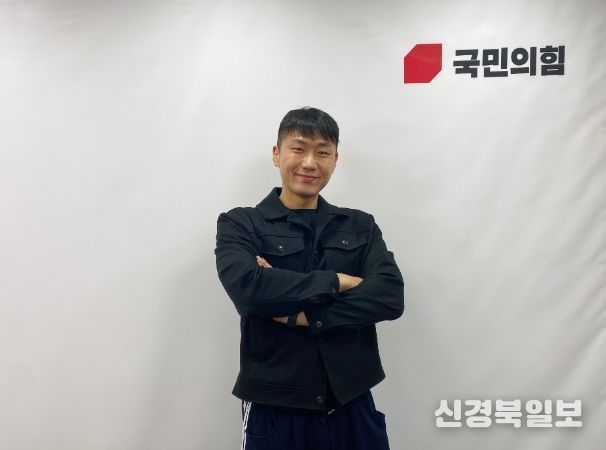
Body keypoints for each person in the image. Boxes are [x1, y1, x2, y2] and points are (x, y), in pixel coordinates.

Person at [215, 107, 404, 450]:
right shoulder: (241, 224)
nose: (309, 163)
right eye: (298, 149)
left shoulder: (359, 225)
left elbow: (389, 296)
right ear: (277, 154)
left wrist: (301, 316)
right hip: (275, 408)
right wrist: (340, 281)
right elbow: (249, 290)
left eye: (322, 152)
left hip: (352, 402)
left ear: (335, 160)